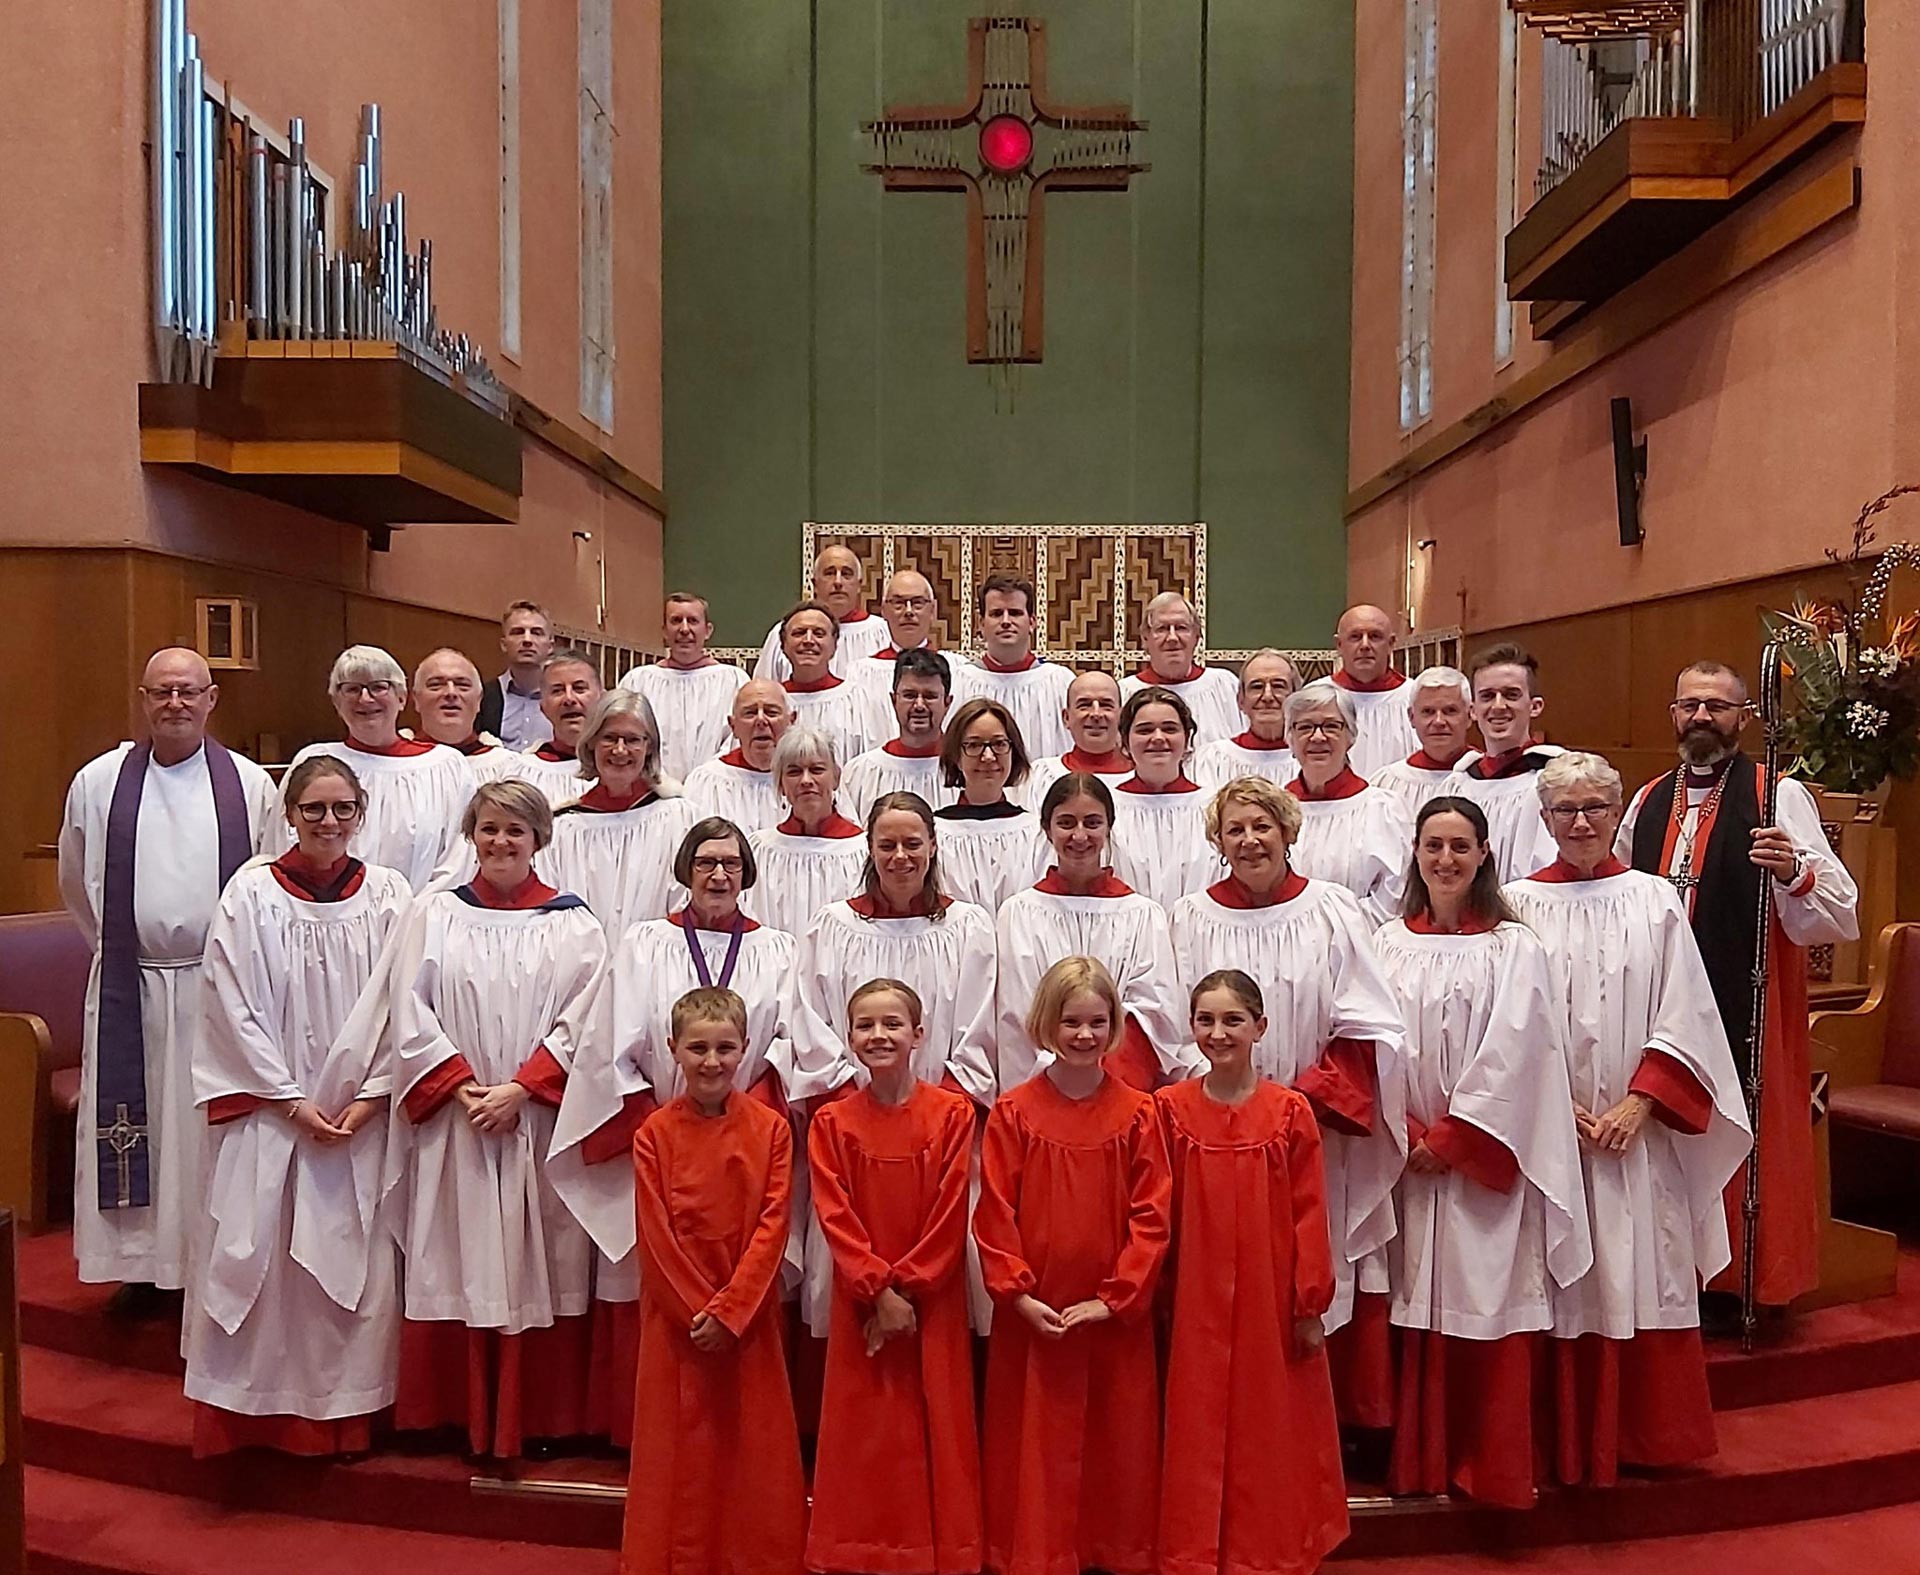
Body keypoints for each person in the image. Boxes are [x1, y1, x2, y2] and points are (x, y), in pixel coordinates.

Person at [1508, 751, 1753, 1485]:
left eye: (1595, 808)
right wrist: (1551, 1108)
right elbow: (1504, 1024)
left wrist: (1641, 1101)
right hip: (1549, 1137)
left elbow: (1690, 1015)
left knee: (1639, 1267)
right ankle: (1555, 1441)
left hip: (1632, 1138)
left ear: (1617, 815)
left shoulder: (1655, 899)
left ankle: (1644, 1438)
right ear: (1544, 819)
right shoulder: (1517, 905)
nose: (1581, 822)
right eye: (1565, 810)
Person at [185, 757, 411, 1456]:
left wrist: (372, 1095)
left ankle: (345, 1414)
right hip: (272, 1113)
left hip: (355, 1119)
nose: (329, 823)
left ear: (362, 812)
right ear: (289, 812)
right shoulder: (250, 894)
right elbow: (230, 1001)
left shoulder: (390, 896)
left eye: (343, 808)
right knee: (265, 1261)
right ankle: (261, 1413)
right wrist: (286, 1099)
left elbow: (405, 1002)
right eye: (314, 808)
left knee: (352, 1262)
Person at [548, 818, 796, 1449]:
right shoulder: (644, 942)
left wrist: (745, 1124)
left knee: (743, 1273)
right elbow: (613, 1047)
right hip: (666, 1143)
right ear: (685, 869)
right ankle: (654, 1441)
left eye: (732, 864)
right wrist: (665, 1129)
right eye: (707, 862)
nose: (719, 875)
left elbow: (793, 1048)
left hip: (745, 1149)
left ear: (747, 874)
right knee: (666, 1282)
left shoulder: (779, 949)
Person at [1168, 776, 1408, 1429]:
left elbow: (1371, 1025)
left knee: (1310, 1261)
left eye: (1261, 826)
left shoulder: (1332, 909)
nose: (1249, 840)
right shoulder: (1190, 916)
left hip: (1311, 1134)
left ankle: (1317, 1421)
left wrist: (1295, 1105)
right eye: (1235, 829)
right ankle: (1232, 1418)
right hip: (1218, 1136)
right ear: (1218, 841)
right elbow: (1172, 1027)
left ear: (1288, 831)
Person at [1371, 798, 1591, 1507]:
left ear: (1485, 853)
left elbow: (1519, 1051)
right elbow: (1369, 1043)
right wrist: (1403, 1129)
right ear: (1414, 852)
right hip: (1404, 1160)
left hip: (1478, 1164)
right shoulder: (1383, 941)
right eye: (1433, 845)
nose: (1445, 859)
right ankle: (1418, 1461)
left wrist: (1453, 1138)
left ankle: (1486, 1463)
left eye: (1460, 846)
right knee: (1410, 1295)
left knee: (1485, 1297)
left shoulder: (1514, 946)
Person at [1618, 660, 1856, 1312]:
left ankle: (1736, 1286)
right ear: (1672, 713)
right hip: (1658, 1005)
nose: (1701, 717)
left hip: (1741, 998)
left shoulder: (1778, 795)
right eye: (1690, 704)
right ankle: (1669, 1279)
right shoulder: (1646, 800)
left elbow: (1841, 913)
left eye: (1717, 707)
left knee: (1736, 1130)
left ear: (1744, 717)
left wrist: (1794, 871)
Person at [384, 779, 606, 1458]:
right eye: (488, 828)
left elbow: (587, 1020)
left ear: (541, 837)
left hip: (533, 1123)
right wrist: (461, 1088)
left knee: (538, 1258)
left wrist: (522, 1089)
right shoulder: (436, 913)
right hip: (460, 1122)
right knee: (455, 1253)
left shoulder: (575, 923)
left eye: (516, 829)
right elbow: (407, 1007)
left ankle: (538, 1420)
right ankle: (451, 1411)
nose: (501, 841)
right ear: (470, 835)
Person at [59, 647, 279, 1304]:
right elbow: (76, 879)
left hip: (220, 989)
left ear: (212, 699)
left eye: (189, 691)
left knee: (206, 1128)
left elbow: (267, 883)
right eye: (162, 692)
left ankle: (212, 1264)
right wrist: (120, 951)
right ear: (143, 698)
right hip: (135, 986)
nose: (175, 703)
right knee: (141, 1127)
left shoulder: (249, 784)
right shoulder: (98, 783)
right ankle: (141, 1268)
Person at [973, 956, 1172, 1575]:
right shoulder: (1014, 1111)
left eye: (1096, 1022)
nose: (1084, 1035)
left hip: (1110, 1313)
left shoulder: (1141, 1112)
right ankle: (1036, 1548)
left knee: (1115, 1437)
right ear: (1046, 1025)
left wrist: (1116, 1297)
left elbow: (1153, 1216)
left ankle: (1110, 1547)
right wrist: (1018, 1293)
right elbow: (995, 1210)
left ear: (1114, 1025)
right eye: (1070, 1023)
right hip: (1038, 1311)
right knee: (1035, 1438)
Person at [1157, 970, 1348, 1575]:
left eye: (1232, 1020)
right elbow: (1153, 1207)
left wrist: (1308, 1302)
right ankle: (1192, 1545)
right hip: (1193, 1292)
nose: (1218, 1032)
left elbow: (1309, 1210)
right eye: (1206, 1021)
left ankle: (1265, 1544)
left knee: (1268, 1420)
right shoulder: (1169, 1110)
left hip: (1269, 1293)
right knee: (1195, 1416)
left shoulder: (1288, 1112)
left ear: (1260, 1028)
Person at [789, 793, 999, 1331]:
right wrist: (859, 1121)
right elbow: (812, 1028)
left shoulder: (969, 927)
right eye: (887, 845)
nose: (900, 856)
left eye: (912, 843)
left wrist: (931, 1126)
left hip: (942, 1145)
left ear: (933, 845)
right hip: (855, 1143)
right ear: (869, 849)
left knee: (939, 1279)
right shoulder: (833, 927)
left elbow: (979, 1032)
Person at [623, 986, 806, 1575]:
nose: (711, 1061)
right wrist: (698, 1311)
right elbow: (654, 1234)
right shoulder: (653, 1132)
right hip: (679, 1320)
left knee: (750, 1442)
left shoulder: (773, 1129)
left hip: (746, 1315)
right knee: (677, 1444)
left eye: (725, 1048)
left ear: (746, 1049)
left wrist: (732, 1310)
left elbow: (774, 1222)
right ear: (673, 1049)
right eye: (697, 1048)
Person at [805, 979, 982, 1575]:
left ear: (918, 1034)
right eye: (865, 1026)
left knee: (936, 1417)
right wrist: (876, 1290)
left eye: (892, 1025)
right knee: (868, 1424)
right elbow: (835, 1213)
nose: (879, 1036)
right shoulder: (832, 1122)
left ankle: (940, 1549)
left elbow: (951, 1208)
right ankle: (860, 1547)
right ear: (849, 1037)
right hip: (865, 1300)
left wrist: (907, 1289)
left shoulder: (953, 1114)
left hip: (930, 1299)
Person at [996, 774, 1197, 1093]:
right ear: (1047, 829)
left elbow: (1152, 1014)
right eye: (1066, 822)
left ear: (1108, 827)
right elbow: (1018, 1012)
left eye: (1092, 822)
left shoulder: (1142, 914)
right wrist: (1059, 1083)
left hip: (1120, 1094)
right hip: (1042, 1097)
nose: (1079, 835)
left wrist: (1102, 1085)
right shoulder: (1018, 913)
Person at [276, 645, 477, 891]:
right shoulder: (313, 763)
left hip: (419, 920)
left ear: (402, 698)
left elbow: (459, 859)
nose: (365, 699)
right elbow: (283, 846)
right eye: (351, 689)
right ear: (336, 702)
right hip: (323, 916)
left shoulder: (446, 767)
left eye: (379, 687)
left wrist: (413, 918)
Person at [543, 690, 700, 943]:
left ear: (649, 746)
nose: (619, 750)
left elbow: (688, 903)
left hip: (657, 964)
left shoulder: (680, 819)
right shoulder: (561, 828)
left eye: (632, 740)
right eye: (609, 738)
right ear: (591, 741)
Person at [1285, 680, 1412, 928]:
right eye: (1305, 727)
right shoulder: (1272, 811)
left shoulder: (1383, 809)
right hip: (1288, 945)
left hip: (1363, 946)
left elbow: (1394, 895)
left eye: (1331, 726)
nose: (1318, 737)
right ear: (1289, 738)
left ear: (1351, 736)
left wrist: (1338, 934)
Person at [1446, 643, 1562, 882]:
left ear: (1535, 706)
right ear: (1473, 710)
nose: (1498, 706)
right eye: (1487, 696)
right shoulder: (1456, 785)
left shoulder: (1555, 781)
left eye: (1511, 695)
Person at [743, 728, 868, 940]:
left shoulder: (863, 851)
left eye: (817, 769)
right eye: (794, 772)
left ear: (836, 777)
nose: (806, 780)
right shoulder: (760, 851)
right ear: (781, 784)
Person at [1109, 686, 1221, 910]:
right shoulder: (1107, 807)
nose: (1158, 738)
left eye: (1169, 729)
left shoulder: (1214, 807)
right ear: (1125, 740)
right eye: (1145, 730)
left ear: (1187, 738)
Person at [932, 697, 1047, 913]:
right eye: (974, 745)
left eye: (999, 744)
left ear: (1013, 751)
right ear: (956, 755)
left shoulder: (1034, 833)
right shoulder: (936, 833)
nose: (988, 756)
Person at [616, 592, 748, 780]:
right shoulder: (638, 681)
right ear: (664, 630)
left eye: (693, 621)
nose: (684, 629)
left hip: (717, 788)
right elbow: (625, 735)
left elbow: (738, 739)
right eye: (676, 620)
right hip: (652, 790)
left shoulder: (734, 680)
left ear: (708, 630)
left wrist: (706, 779)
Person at [950, 573, 1073, 759]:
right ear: (981, 624)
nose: (1006, 621)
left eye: (1015, 613)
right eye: (996, 613)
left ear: (1032, 622)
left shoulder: (1060, 682)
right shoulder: (959, 682)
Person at [841, 648, 958, 822]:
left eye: (930, 696)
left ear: (947, 703)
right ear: (893, 700)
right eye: (910, 695)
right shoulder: (861, 773)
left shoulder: (965, 771)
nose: (919, 705)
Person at [754, 542, 889, 682]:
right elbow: (763, 690)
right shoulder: (785, 633)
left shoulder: (882, 633)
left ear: (859, 584)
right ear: (815, 584)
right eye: (829, 573)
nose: (838, 582)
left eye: (846, 574)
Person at [1119, 591, 1241, 743]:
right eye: (1162, 629)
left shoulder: (1225, 686)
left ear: (1196, 636)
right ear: (1145, 638)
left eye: (1181, 628)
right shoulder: (1124, 693)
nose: (1172, 638)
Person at [777, 599, 890, 763]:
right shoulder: (772, 703)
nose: (808, 640)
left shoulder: (858, 701)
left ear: (834, 644)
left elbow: (873, 763)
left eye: (819, 633)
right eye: (799, 633)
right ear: (783, 644)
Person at [681, 678, 791, 832]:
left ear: (791, 721)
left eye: (771, 712)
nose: (761, 720)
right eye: (750, 713)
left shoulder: (807, 780)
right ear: (733, 726)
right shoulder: (705, 783)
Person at [1373, 666, 1474, 824]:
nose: (1439, 721)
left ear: (1469, 715)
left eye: (1450, 711)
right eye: (1428, 712)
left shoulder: (1489, 780)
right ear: (1412, 717)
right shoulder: (1387, 784)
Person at [411, 647, 525, 784]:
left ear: (479, 700)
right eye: (436, 685)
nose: (451, 693)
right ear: (416, 699)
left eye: (462, 685)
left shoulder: (508, 768)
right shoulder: (395, 764)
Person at [1191, 648, 1300, 789]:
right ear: (1241, 700)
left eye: (1278, 686)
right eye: (1257, 687)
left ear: (1296, 697)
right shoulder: (1210, 760)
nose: (1267, 696)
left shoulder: (1313, 760)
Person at [1021, 668, 1131, 809]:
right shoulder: (1040, 777)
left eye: (1106, 705)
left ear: (1121, 716)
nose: (1096, 714)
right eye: (1084, 705)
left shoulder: (1143, 778)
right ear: (1066, 718)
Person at [1331, 603, 1418, 778]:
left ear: (1391, 643)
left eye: (1375, 636)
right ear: (1339, 645)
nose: (1365, 645)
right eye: (1355, 637)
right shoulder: (1317, 698)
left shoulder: (1415, 697)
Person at [848, 569, 942, 719]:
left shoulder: (956, 669)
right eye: (899, 603)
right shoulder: (861, 673)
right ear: (884, 610)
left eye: (917, 603)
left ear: (932, 610)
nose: (909, 611)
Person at [516, 649, 604, 806]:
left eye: (579, 688)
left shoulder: (625, 769)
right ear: (542, 707)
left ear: (603, 698)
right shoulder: (522, 773)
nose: (569, 699)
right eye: (557, 691)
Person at [477, 599, 556, 750]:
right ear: (504, 644)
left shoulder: (564, 700)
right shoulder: (482, 696)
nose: (527, 640)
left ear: (550, 646)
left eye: (536, 633)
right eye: (518, 632)